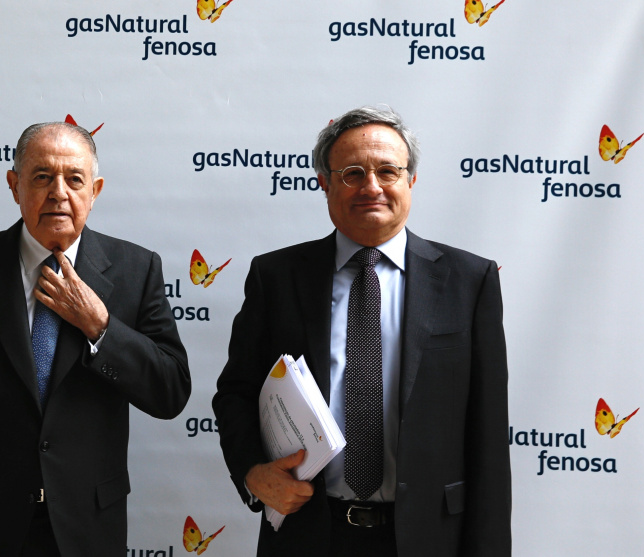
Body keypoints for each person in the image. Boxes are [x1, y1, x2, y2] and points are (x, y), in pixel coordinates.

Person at [212, 106, 510, 556]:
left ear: (411, 180)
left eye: (388, 171)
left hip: (430, 538)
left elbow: (488, 437)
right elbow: (235, 393)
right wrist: (254, 472)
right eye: (352, 174)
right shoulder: (276, 277)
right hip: (307, 533)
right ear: (324, 183)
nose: (372, 187)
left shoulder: (469, 281)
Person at [0, 122, 191, 557]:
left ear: (95, 191)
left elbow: (171, 390)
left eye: (74, 179)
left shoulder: (136, 270)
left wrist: (101, 327)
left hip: (88, 528)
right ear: (15, 185)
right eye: (42, 177)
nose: (58, 193)